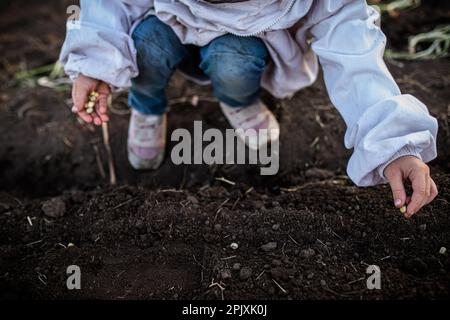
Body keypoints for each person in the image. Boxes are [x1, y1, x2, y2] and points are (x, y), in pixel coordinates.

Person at [60, 0, 439, 218]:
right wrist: (94, 63)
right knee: (147, 44)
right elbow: (109, 4)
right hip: (166, 24)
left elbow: (354, 52)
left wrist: (393, 144)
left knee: (234, 56)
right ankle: (147, 106)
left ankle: (237, 100)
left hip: (242, 45)